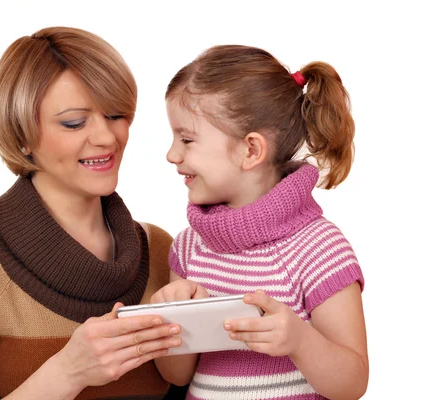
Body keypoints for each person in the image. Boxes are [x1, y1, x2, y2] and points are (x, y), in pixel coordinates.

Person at [0, 26, 184, 400]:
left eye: (117, 115)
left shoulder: (159, 248)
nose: (106, 138)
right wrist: (69, 372)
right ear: (22, 134)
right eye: (74, 122)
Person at [151, 45, 369, 399]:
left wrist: (299, 340)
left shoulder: (319, 249)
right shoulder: (189, 247)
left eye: (187, 139)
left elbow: (352, 383)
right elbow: (178, 376)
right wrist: (171, 321)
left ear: (251, 150)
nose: (172, 154)